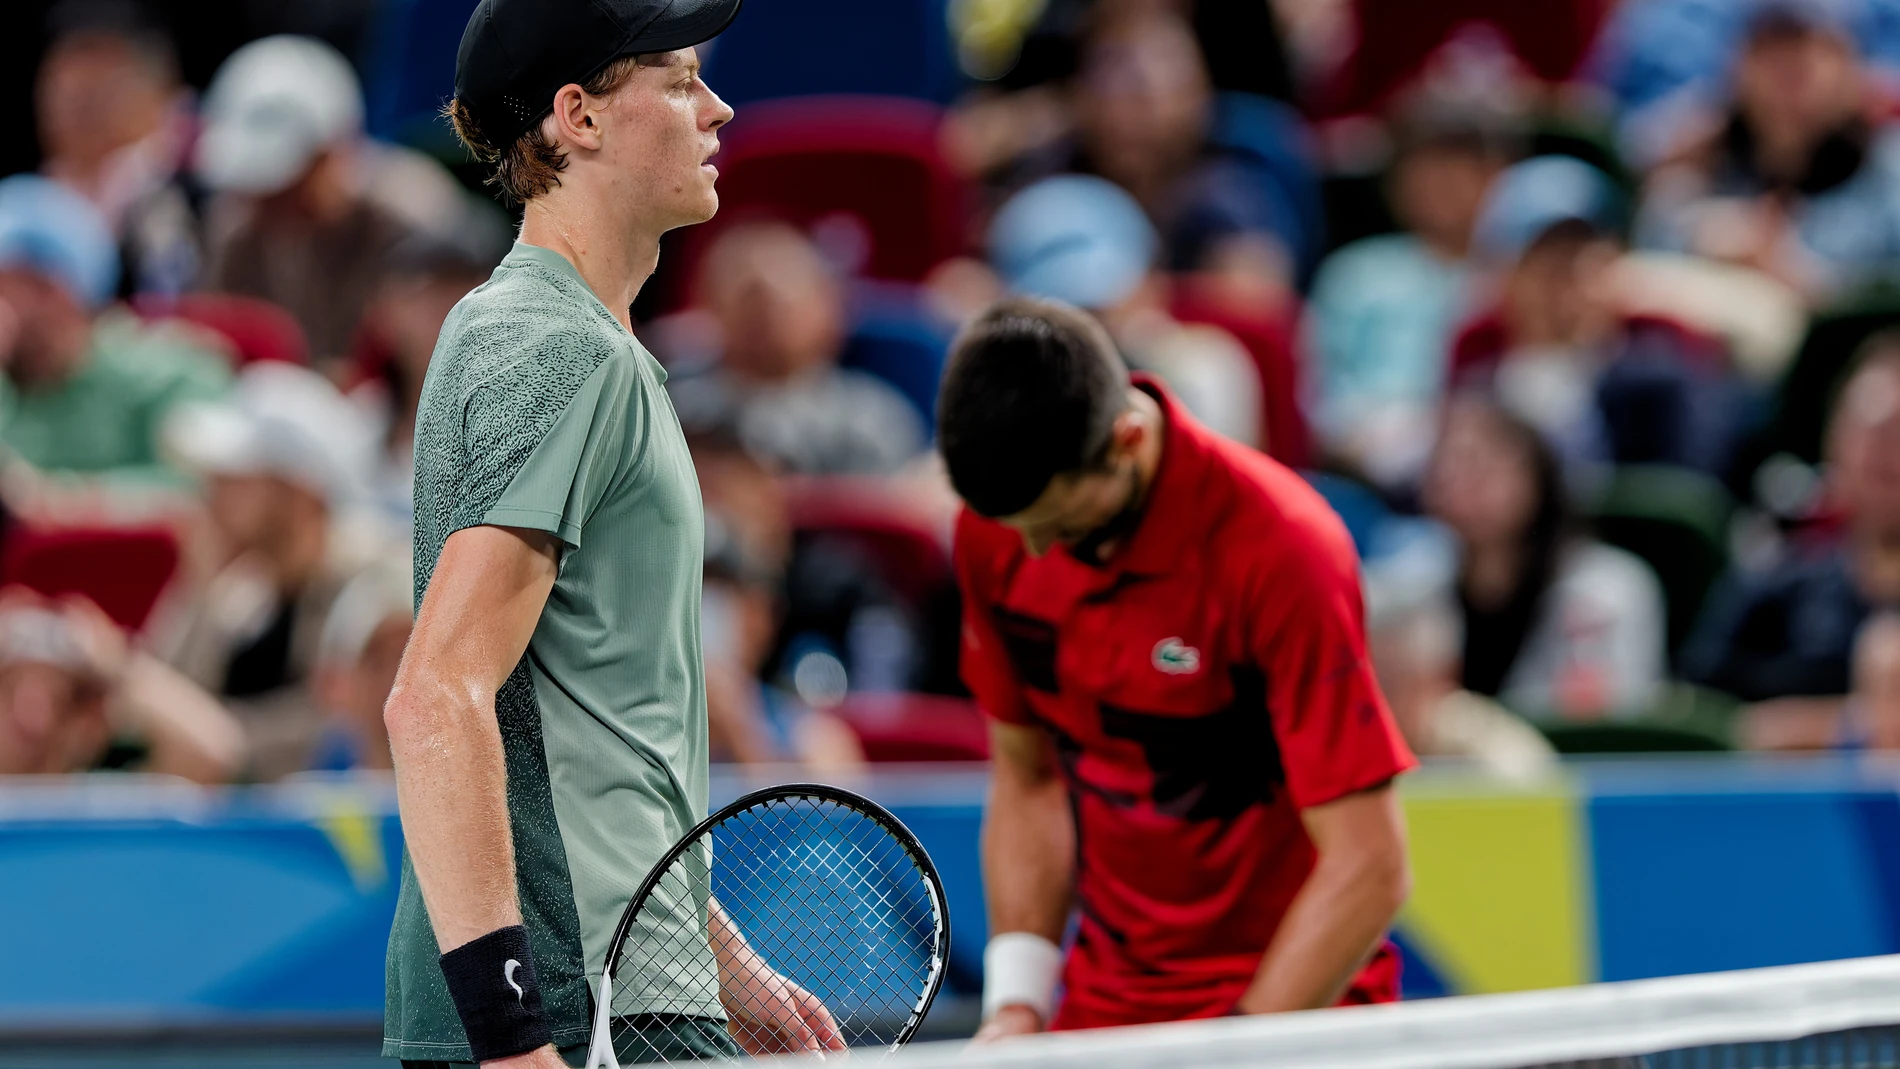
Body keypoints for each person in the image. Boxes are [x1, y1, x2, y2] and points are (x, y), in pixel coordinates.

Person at [383, 1, 843, 1065]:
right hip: (577, 1008)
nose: (718, 108)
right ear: (578, 118)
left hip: (619, 985)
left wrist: (712, 957)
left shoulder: (547, 334)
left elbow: (596, 719)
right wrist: (513, 1038)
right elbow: (435, 696)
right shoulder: (554, 348)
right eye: (679, 80)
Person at [941, 298, 1415, 1036]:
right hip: (1105, 1016)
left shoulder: (1286, 551)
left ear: (1127, 439)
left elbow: (1370, 862)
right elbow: (1028, 775)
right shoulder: (997, 527)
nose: (1034, 556)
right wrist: (1019, 1000)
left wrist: (1240, 1049)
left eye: (1061, 528)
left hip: (1295, 1016)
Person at [159, 361, 389, 781]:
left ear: (298, 493)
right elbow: (161, 721)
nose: (213, 490)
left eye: (238, 477)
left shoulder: (377, 598)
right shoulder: (240, 594)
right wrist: (197, 585)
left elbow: (322, 734)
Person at [1451, 155, 1746, 479]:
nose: (1569, 288)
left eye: (1585, 262)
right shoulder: (1476, 383)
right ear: (1505, 276)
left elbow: (1689, 482)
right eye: (1548, 267)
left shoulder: (1663, 380)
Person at [1684, 334, 1900, 747]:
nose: (1884, 450)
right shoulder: (1772, 588)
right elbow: (1700, 723)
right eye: (1867, 427)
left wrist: (1819, 729)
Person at [1304, 94, 1515, 488]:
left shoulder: (1516, 276)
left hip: (1490, 468)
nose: (1441, 186)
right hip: (1369, 470)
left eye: (1461, 169)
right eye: (1424, 169)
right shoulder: (1354, 272)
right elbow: (1321, 394)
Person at [1422, 394, 1669, 721]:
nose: (1457, 479)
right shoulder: (1415, 587)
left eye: (1479, 463)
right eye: (1447, 463)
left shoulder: (1608, 590)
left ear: (1536, 476)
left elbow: (1604, 724)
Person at [1636, 0, 1900, 302]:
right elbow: (1647, 254)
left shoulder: (1890, 170)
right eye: (1771, 52)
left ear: (1850, 68)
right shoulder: (1699, 162)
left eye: (1810, 53)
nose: (1789, 73)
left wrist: (1806, 281)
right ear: (1739, 68)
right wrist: (1700, 238)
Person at [988, 174, 1265, 448]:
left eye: (1101, 306)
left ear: (1148, 283)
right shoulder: (999, 385)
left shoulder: (1199, 369)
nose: (1087, 325)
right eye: (1067, 308)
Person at [195, 35, 417, 369]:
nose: (271, 204)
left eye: (287, 185)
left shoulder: (406, 222)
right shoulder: (237, 235)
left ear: (330, 156)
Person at [0, 174, 228, 491]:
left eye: (6, 283)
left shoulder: (173, 373)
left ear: (54, 290)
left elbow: (200, 485)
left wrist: (59, 498)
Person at [663, 221, 926, 476]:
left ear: (828, 306)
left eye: (787, 284)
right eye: (746, 294)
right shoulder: (669, 408)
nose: (763, 308)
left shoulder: (872, 422)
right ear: (706, 304)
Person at [35, 1, 202, 299]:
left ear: (155, 94)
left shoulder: (189, 176)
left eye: (93, 99)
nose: (74, 113)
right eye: (61, 96)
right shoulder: (37, 198)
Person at [0, 588, 245, 783]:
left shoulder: (99, 806)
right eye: (9, 690)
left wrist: (119, 664)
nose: (33, 719)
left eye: (62, 701)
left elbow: (213, 755)